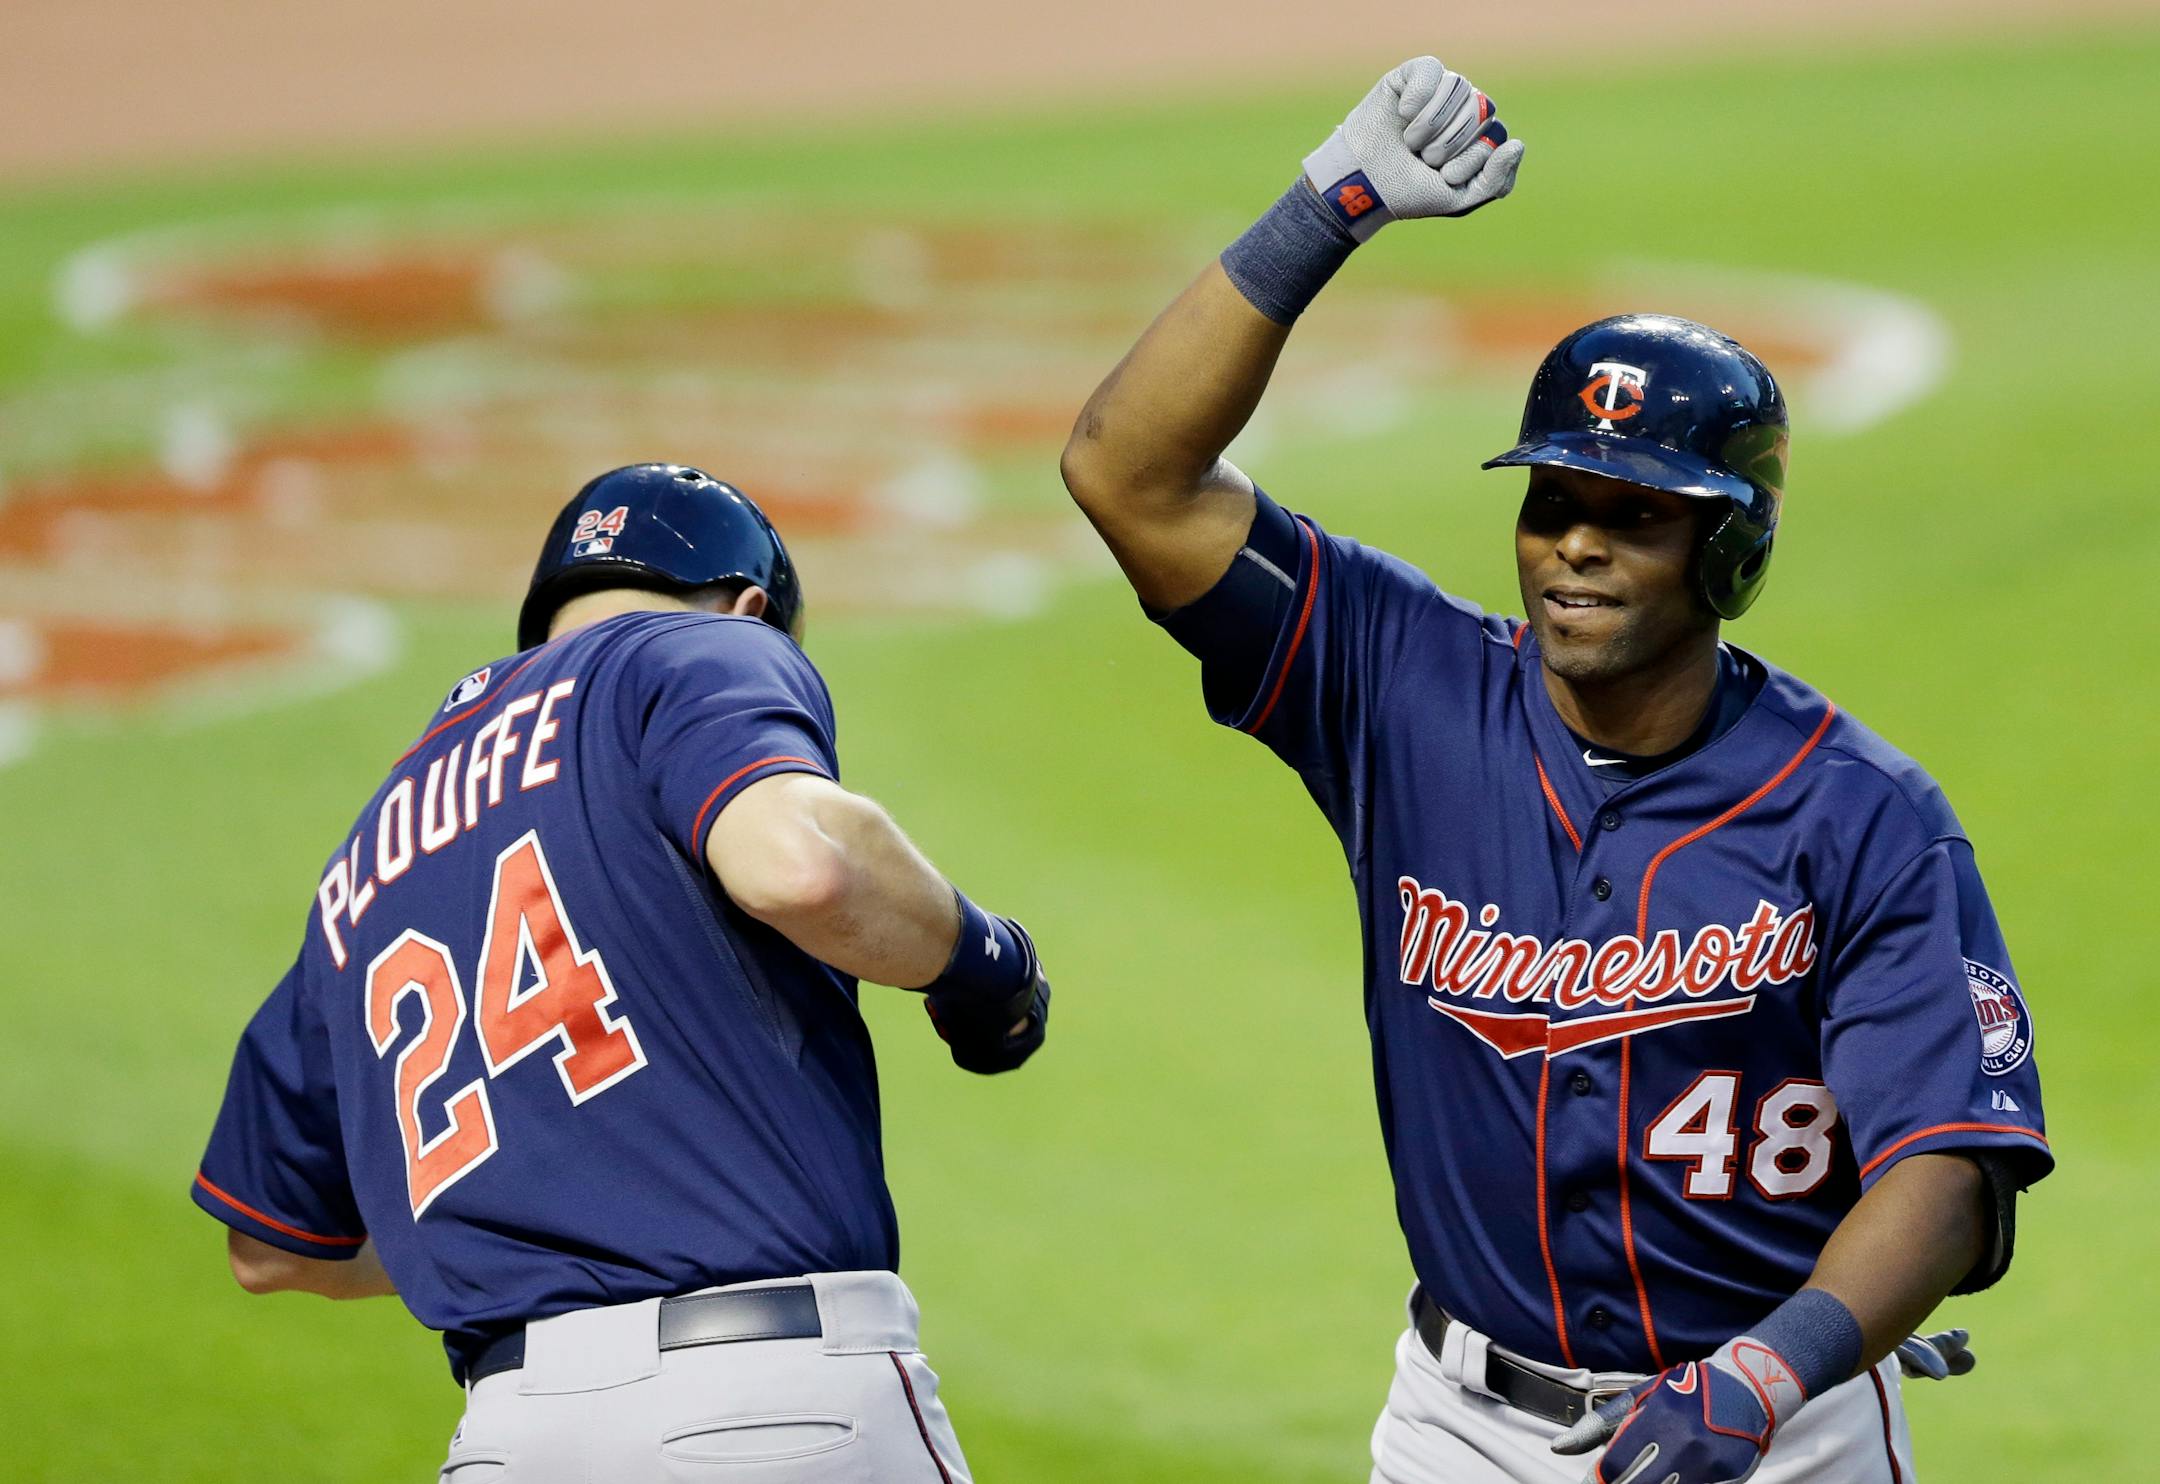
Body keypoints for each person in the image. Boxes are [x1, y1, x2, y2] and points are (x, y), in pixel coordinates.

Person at [1059, 55, 2049, 1484]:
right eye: (1554, 501)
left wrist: (1772, 1376)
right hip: (1462, 1424)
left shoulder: (1862, 815)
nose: (1575, 544)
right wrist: (1324, 210)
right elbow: (1126, 471)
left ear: (1729, 549)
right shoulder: (1401, 689)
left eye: (1635, 516)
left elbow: (1948, 1168)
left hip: (1779, 1421)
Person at [191, 462, 1048, 1482]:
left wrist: (520, 1235)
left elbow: (272, 1245)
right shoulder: (692, 651)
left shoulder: (368, 854)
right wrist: (984, 961)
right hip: (770, 1409)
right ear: (751, 608)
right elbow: (798, 863)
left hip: (510, 1439)